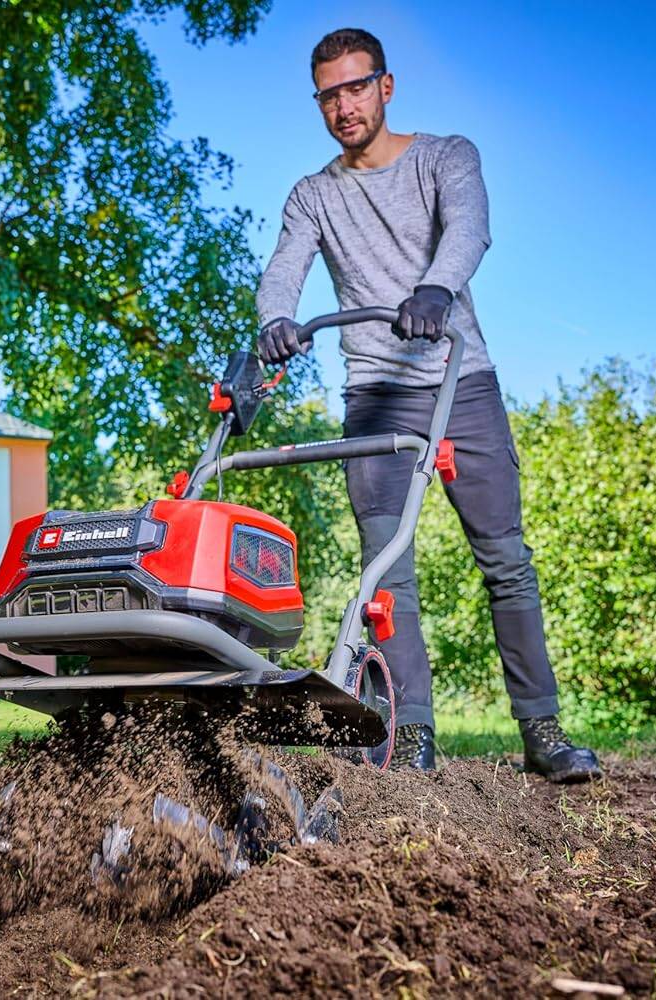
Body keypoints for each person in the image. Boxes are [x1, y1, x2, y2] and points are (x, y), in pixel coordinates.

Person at [255, 28, 602, 781]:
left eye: (356, 88)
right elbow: (284, 266)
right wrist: (275, 320)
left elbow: (469, 228)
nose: (344, 107)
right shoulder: (313, 194)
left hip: (459, 381)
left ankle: (542, 732)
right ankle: (410, 735)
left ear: (386, 86)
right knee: (387, 573)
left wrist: (437, 289)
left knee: (505, 561)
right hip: (375, 398)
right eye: (328, 95)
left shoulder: (447, 156)